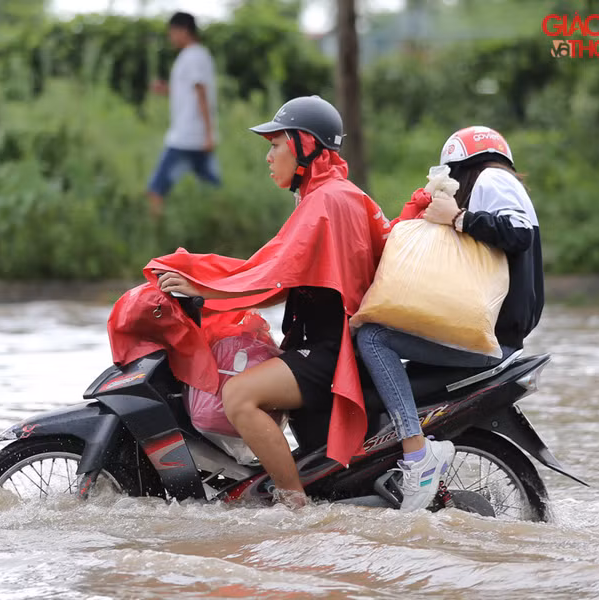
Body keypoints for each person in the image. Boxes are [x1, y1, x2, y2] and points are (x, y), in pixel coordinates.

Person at [145, 96, 429, 508]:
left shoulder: (329, 200)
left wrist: (204, 288)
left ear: (304, 145)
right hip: (314, 346)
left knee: (239, 396)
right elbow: (281, 272)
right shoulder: (326, 195)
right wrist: (201, 280)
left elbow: (273, 271)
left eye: (275, 144)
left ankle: (295, 508)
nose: (268, 156)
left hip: (328, 353)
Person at [355, 125, 544, 512]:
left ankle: (416, 453)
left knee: (373, 337)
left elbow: (518, 234)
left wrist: (458, 217)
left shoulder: (492, 179)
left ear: (461, 167)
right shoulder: (499, 183)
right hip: (497, 338)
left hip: (491, 341)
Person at [147, 12, 220, 215]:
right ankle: (221, 225)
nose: (170, 37)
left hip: (186, 136)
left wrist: (208, 134)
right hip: (195, 136)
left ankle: (155, 236)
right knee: (212, 187)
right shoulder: (196, 55)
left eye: (172, 32)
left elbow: (201, 93)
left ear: (183, 30)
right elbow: (190, 92)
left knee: (156, 189)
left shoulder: (193, 56)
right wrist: (167, 90)